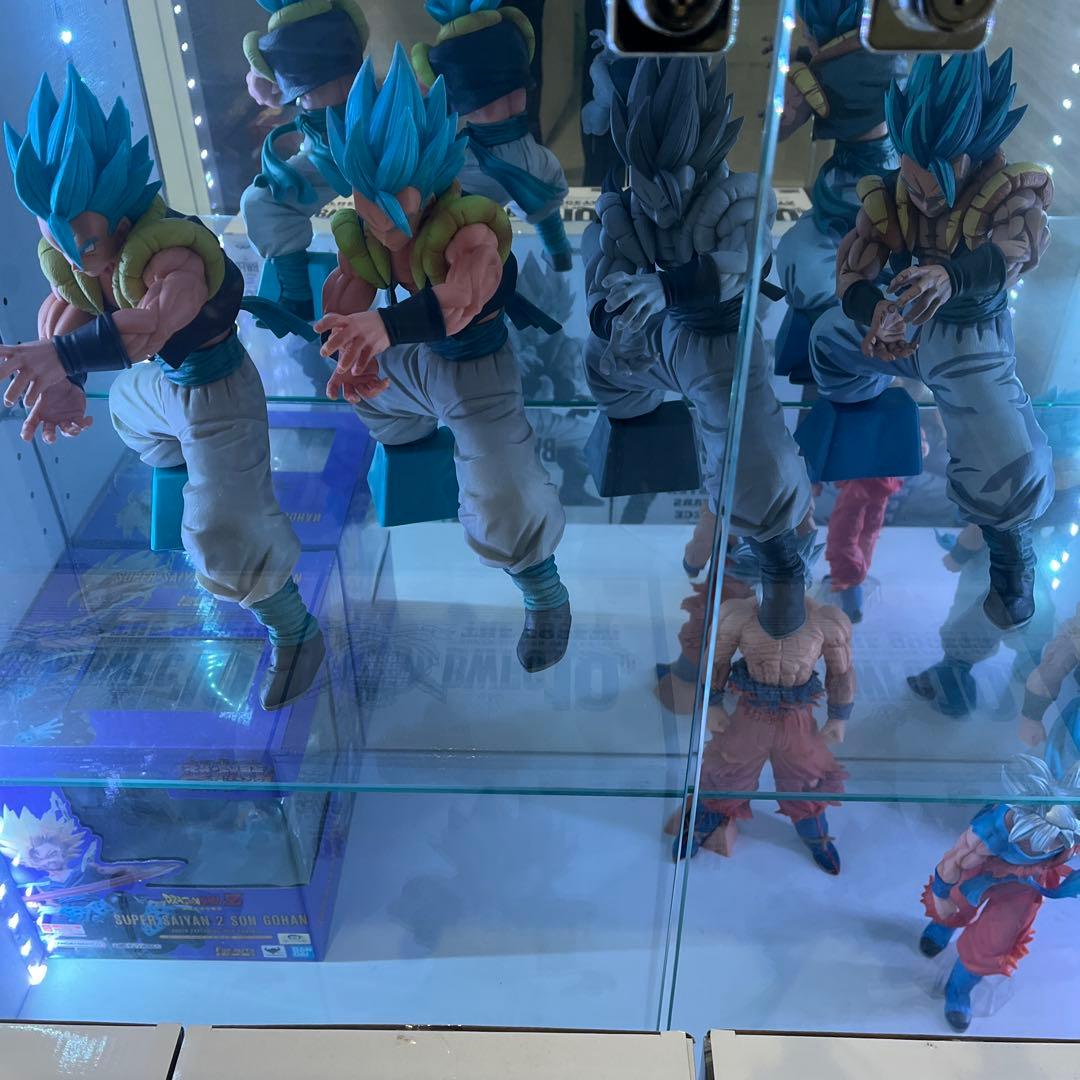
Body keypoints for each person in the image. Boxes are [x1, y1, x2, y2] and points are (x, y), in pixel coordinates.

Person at [1, 66, 324, 709]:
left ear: (119, 220)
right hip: (159, 392)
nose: (70, 253)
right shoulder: (76, 262)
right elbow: (68, 317)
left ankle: (296, 631)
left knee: (225, 543)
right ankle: (188, 472)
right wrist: (65, 381)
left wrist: (62, 357)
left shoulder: (172, 259)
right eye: (53, 234)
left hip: (218, 390)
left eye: (82, 240)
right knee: (127, 414)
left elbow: (145, 328)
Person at [315, 46, 570, 673]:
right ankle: (417, 458)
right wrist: (348, 355)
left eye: (393, 206)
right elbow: (346, 294)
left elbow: (458, 303)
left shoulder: (468, 231)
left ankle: (543, 593)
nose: (381, 223)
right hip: (409, 362)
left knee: (505, 497)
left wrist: (381, 325)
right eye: (367, 204)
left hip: (476, 368)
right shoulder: (366, 226)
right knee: (369, 400)